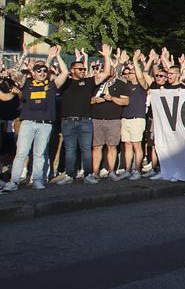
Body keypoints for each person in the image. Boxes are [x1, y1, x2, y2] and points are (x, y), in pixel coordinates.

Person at [2, 47, 69, 191]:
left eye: (45, 71)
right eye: (38, 70)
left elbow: (65, 73)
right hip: (28, 123)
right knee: (21, 153)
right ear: (33, 73)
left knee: (40, 154)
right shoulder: (27, 84)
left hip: (45, 125)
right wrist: (24, 55)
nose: (42, 73)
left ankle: (38, 179)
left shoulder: (51, 86)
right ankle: (14, 181)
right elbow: (14, 73)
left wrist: (57, 56)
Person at [61, 46, 113, 184]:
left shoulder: (89, 82)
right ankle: (69, 175)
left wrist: (107, 56)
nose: (83, 71)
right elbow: (61, 73)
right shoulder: (65, 82)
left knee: (86, 149)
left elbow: (106, 72)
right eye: (80, 69)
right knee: (70, 150)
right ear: (72, 70)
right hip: (68, 122)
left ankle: (88, 174)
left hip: (85, 121)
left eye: (84, 69)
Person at [90, 72, 130, 181]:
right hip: (97, 119)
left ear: (113, 74)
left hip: (114, 120)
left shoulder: (121, 84)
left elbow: (125, 101)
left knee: (112, 146)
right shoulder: (96, 84)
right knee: (97, 147)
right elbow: (87, 100)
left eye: (109, 74)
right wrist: (94, 100)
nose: (107, 77)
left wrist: (112, 98)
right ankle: (95, 173)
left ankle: (111, 171)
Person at [119, 61, 149, 180]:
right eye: (126, 73)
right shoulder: (125, 86)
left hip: (137, 118)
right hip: (125, 118)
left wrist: (135, 61)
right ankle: (128, 169)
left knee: (137, 145)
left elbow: (141, 77)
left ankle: (137, 170)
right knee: (127, 145)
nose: (128, 75)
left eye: (131, 72)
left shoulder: (142, 86)